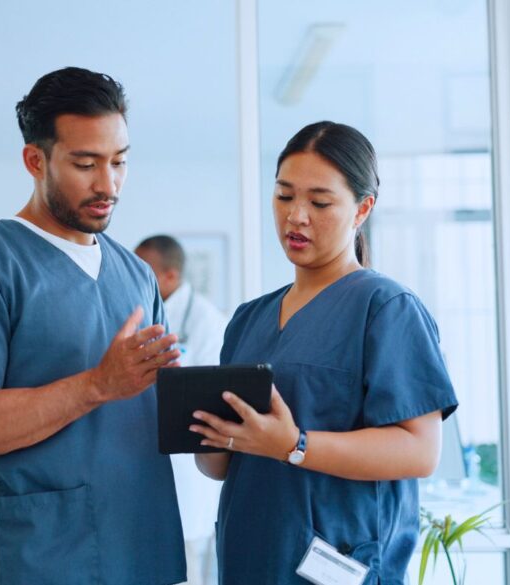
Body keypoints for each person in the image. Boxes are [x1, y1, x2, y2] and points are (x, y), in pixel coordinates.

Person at [0, 67, 186, 585]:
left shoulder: (136, 275)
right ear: (35, 160)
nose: (108, 184)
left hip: (140, 547)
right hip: (41, 558)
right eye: (85, 164)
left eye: (119, 162)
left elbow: (149, 410)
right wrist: (96, 386)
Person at [192, 121, 458, 585]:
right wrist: (204, 429)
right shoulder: (248, 319)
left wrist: (294, 446)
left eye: (319, 202)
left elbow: (420, 450)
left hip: (337, 565)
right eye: (283, 196)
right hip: (250, 558)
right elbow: (219, 466)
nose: (296, 216)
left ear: (362, 209)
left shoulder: (386, 308)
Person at [135, 235, 228, 585]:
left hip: (187, 473)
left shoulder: (205, 322)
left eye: (145, 271)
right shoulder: (140, 314)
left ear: (170, 276)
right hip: (142, 464)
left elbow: (204, 396)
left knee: (184, 572)